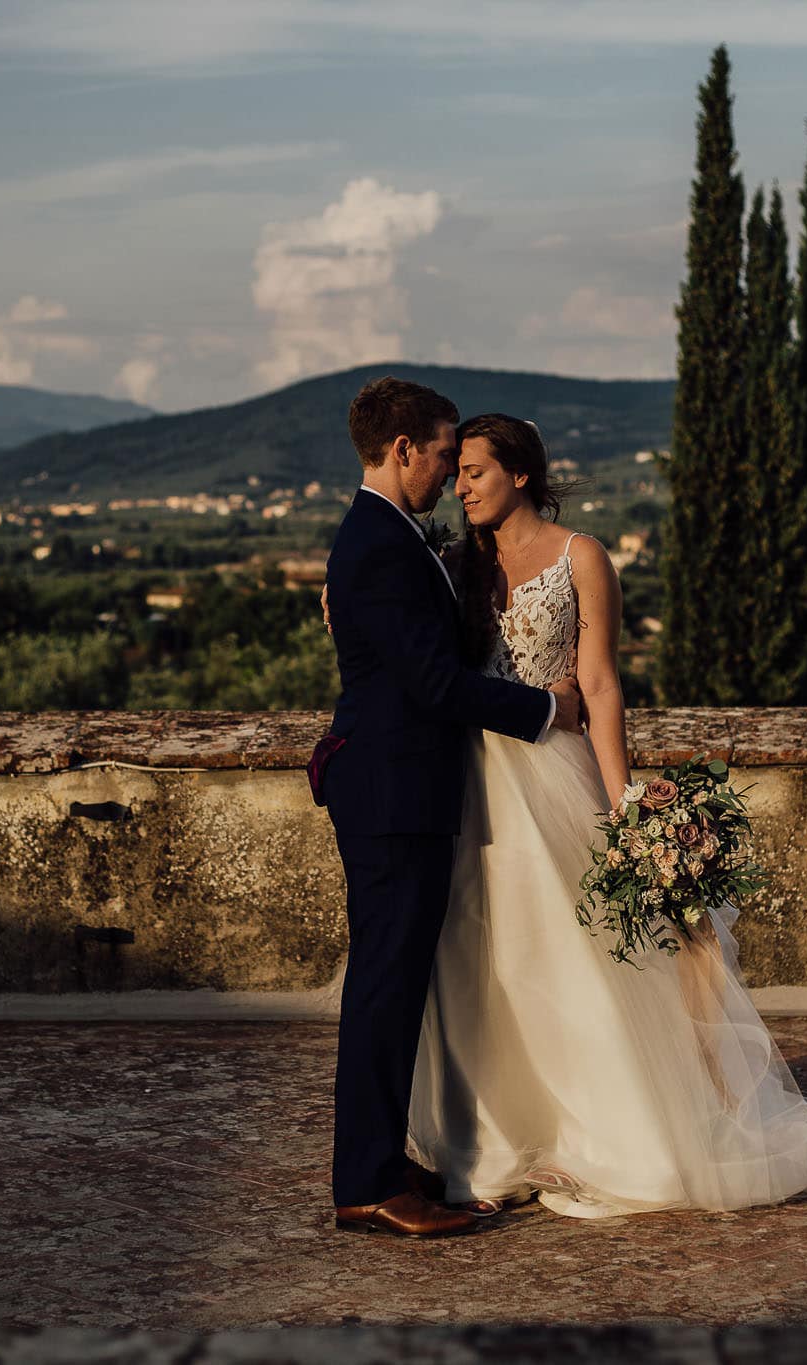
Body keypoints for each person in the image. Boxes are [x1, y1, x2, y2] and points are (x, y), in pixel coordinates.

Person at [399, 412, 807, 1219]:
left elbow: (598, 687)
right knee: (480, 964)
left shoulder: (580, 557)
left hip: (554, 778)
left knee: (575, 962)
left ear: (521, 474)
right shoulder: (454, 564)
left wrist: (622, 803)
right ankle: (491, 1140)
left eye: (475, 472)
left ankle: (602, 1138)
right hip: (468, 783)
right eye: (457, 475)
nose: (460, 487)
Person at [312, 377, 584, 1238]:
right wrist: (547, 711)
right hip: (393, 792)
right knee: (386, 988)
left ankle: (384, 1162)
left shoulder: (386, 537)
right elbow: (433, 683)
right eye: (438, 454)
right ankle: (365, 1182)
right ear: (402, 452)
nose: (447, 473)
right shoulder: (381, 544)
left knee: (396, 985)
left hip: (402, 787)